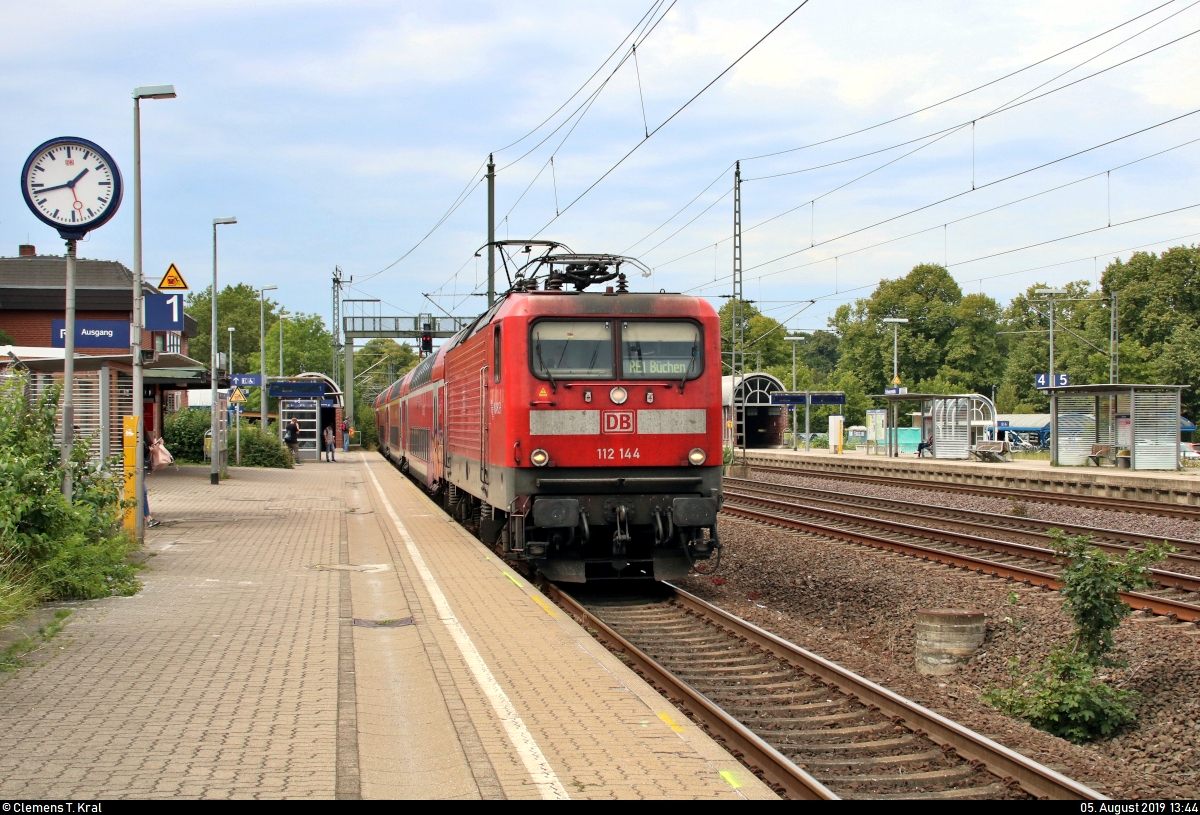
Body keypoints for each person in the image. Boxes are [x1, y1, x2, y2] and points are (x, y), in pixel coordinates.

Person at [142, 434, 160, 528]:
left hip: (142, 464)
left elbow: (144, 453)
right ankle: (148, 517)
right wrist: (148, 450)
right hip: (137, 466)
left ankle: (145, 516)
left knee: (141, 491)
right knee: (142, 490)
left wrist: (155, 446)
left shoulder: (143, 436)